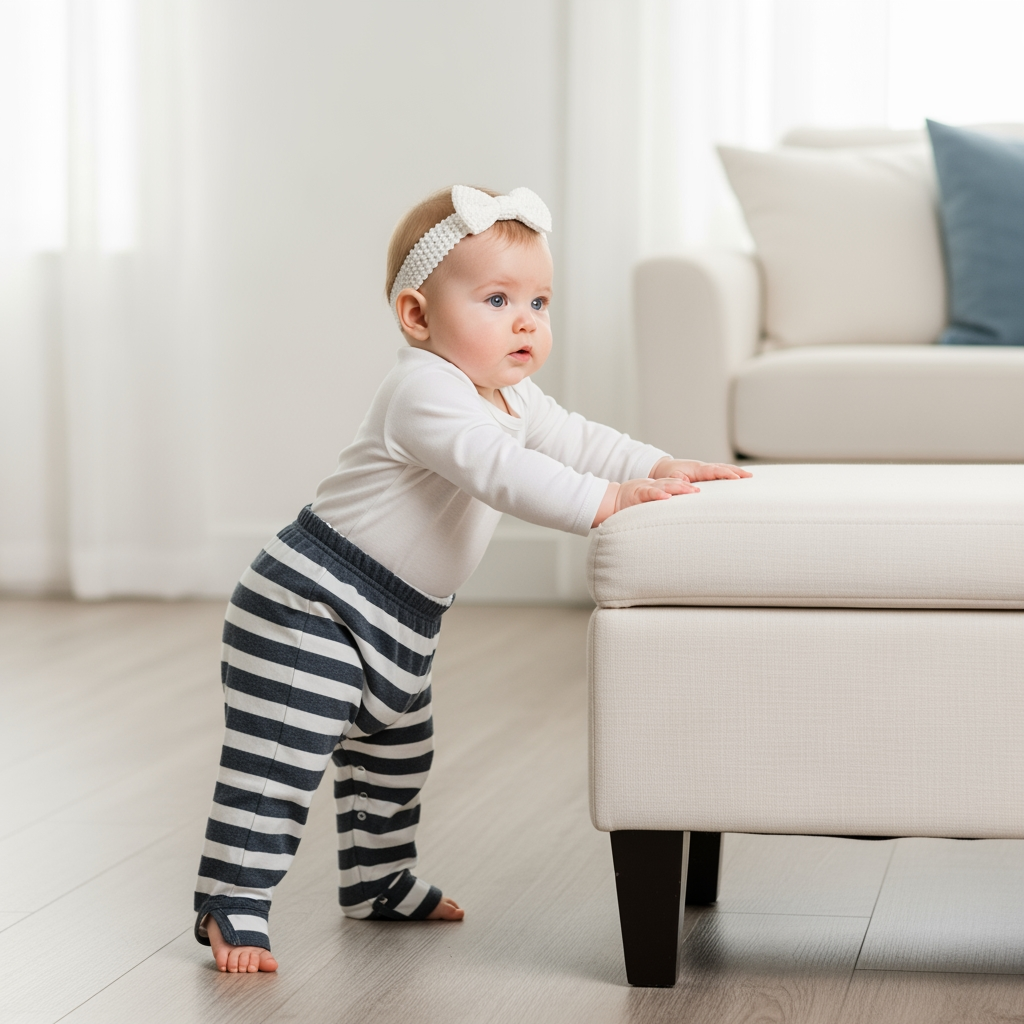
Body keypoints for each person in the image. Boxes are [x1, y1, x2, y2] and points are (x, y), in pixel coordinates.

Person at [193, 185, 751, 973]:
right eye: (497, 300)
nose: (526, 321)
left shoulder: (511, 395)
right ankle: (233, 901)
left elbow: (578, 440)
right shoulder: (422, 391)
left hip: (402, 617)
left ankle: (378, 881)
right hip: (310, 604)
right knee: (280, 762)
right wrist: (607, 503)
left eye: (539, 302)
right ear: (417, 316)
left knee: (395, 758)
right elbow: (501, 471)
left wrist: (658, 466)